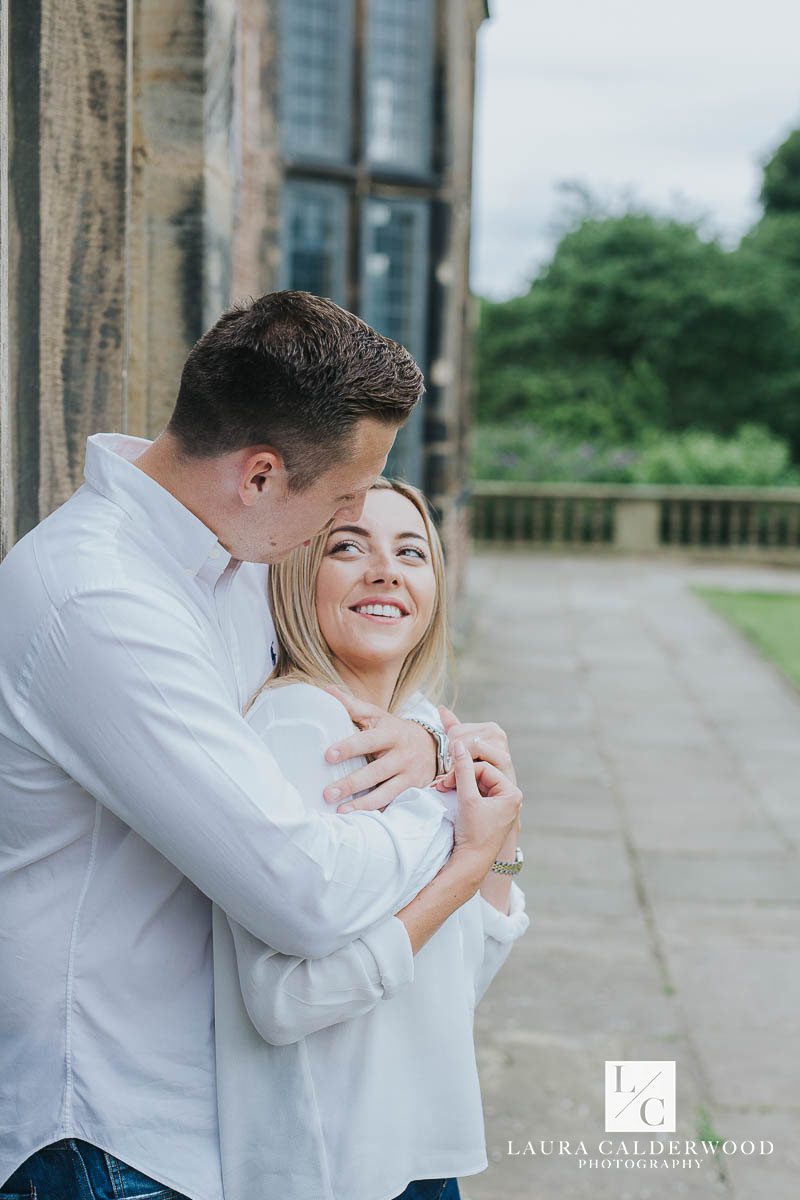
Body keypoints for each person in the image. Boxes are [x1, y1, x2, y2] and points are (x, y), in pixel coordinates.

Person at [0, 293, 520, 1200]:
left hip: (207, 1121)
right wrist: (456, 820)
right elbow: (303, 892)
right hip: (111, 1136)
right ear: (261, 476)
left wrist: (435, 744)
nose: (345, 523)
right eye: (346, 500)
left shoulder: (227, 564)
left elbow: (354, 698)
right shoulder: (101, 599)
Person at [212, 477, 528, 1200]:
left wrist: (500, 841)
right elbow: (286, 1001)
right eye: (347, 545)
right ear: (298, 576)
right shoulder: (300, 727)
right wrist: (466, 856)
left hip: (415, 1157)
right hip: (335, 1169)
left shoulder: (427, 727)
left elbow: (452, 985)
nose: (385, 569)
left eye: (411, 552)